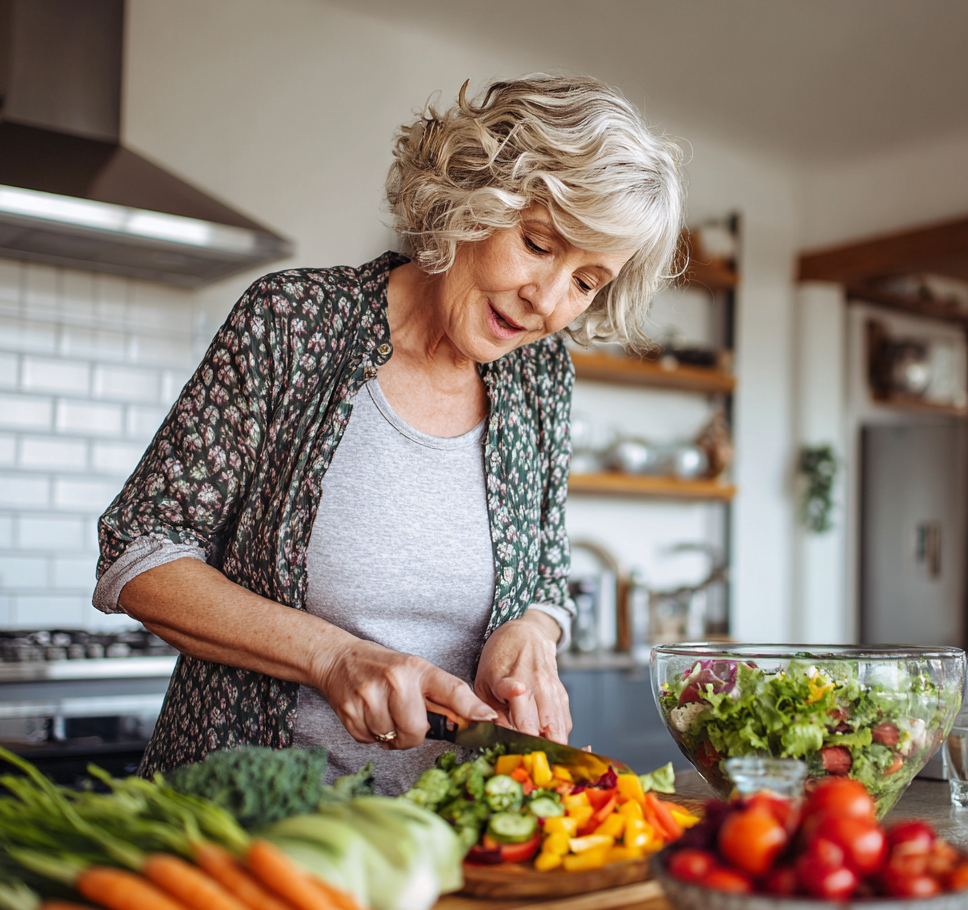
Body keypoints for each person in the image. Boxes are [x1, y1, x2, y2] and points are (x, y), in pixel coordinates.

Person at [93, 74, 685, 793]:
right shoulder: (294, 322)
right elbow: (141, 551)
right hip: (243, 827)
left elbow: (543, 573)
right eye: (537, 244)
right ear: (474, 199)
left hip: (450, 836)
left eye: (588, 281)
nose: (548, 301)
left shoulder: (540, 377)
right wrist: (331, 657)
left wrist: (531, 630)